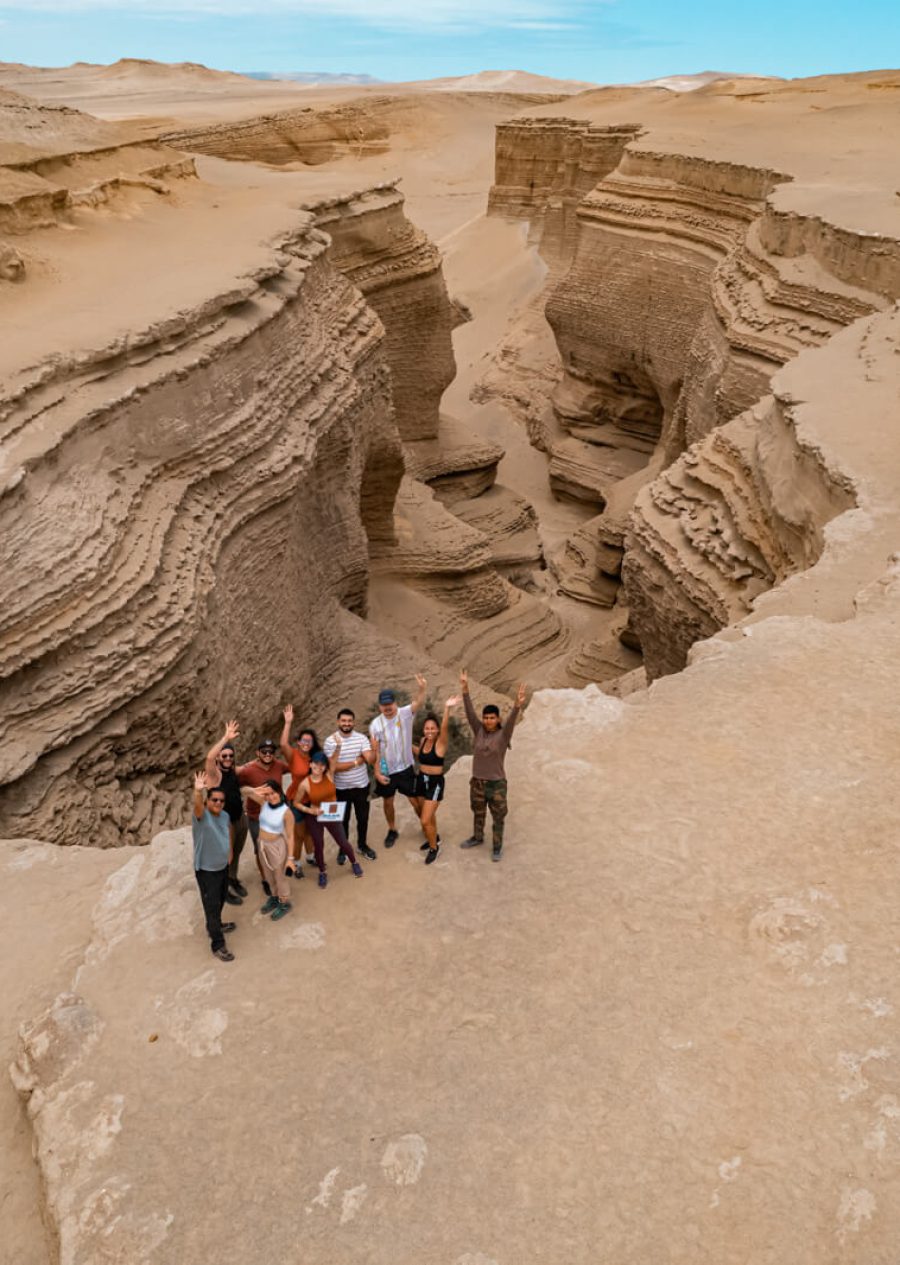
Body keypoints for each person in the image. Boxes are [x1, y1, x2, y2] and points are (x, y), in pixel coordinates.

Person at [459, 670, 526, 862]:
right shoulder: (478, 729)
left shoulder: (504, 735)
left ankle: (497, 847)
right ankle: (477, 837)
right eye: (486, 717)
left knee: (498, 817)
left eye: (492, 718)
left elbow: (512, 721)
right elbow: (469, 712)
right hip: (478, 782)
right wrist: (465, 690)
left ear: (497, 719)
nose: (488, 720)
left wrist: (517, 706)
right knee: (478, 812)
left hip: (496, 784)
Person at [369, 674, 427, 847]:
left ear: (395, 703)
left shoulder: (405, 714)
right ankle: (392, 829)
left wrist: (422, 688)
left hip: (405, 767)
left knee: (415, 800)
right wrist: (377, 772)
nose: (388, 708)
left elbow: (418, 703)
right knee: (388, 801)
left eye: (390, 704)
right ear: (380, 706)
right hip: (387, 771)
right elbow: (376, 750)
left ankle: (425, 825)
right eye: (384, 705)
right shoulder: (375, 725)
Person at [294, 747, 364, 888]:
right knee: (318, 845)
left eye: (322, 764)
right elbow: (296, 802)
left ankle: (354, 863)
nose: (318, 767)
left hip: (331, 812)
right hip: (315, 815)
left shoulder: (329, 775)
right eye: (316, 763)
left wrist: (338, 747)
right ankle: (322, 872)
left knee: (342, 841)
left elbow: (334, 759)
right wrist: (310, 810)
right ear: (310, 764)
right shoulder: (305, 784)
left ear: (325, 766)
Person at [191, 770, 237, 962]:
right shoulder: (201, 817)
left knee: (220, 899)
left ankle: (215, 924)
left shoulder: (224, 816)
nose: (218, 803)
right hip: (206, 870)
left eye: (221, 801)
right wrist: (197, 791)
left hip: (222, 866)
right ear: (208, 801)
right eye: (214, 800)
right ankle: (217, 943)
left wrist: (230, 851)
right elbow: (197, 806)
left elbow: (228, 831)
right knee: (211, 905)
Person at [237, 738, 290, 895]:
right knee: (260, 850)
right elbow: (238, 784)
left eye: (271, 752)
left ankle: (277, 876)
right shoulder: (249, 770)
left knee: (277, 848)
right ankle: (266, 879)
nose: (268, 754)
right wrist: (250, 791)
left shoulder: (279, 765)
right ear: (257, 753)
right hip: (256, 817)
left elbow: (295, 768)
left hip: (276, 816)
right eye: (264, 752)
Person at [203, 719, 248, 905]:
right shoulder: (215, 775)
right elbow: (208, 758)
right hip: (223, 825)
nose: (227, 759)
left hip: (239, 819)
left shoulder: (233, 771)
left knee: (235, 854)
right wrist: (226, 738)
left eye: (230, 756)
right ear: (219, 758)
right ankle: (224, 891)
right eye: (224, 756)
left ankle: (232, 880)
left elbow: (250, 767)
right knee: (224, 858)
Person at [324, 708, 377, 864]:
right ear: (338, 722)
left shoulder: (361, 739)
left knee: (363, 818)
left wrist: (374, 749)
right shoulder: (330, 741)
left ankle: (362, 845)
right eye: (343, 721)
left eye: (349, 721)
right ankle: (344, 849)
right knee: (342, 821)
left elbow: (370, 759)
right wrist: (356, 762)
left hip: (361, 787)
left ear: (353, 722)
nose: (346, 724)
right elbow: (333, 767)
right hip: (340, 789)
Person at [412, 696, 459, 865]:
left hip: (434, 783)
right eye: (427, 728)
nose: (429, 731)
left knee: (425, 819)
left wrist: (447, 708)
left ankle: (434, 849)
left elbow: (445, 727)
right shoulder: (424, 740)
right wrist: (406, 745)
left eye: (433, 728)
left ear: (438, 730)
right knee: (426, 815)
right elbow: (421, 754)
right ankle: (434, 838)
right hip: (421, 780)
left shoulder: (441, 743)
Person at [242, 779, 295, 920]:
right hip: (262, 845)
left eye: (274, 793)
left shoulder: (286, 812)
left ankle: (284, 903)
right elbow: (243, 791)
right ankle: (274, 897)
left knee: (280, 876)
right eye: (269, 794)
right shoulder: (264, 803)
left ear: (279, 792)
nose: (271, 796)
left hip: (277, 846)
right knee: (268, 874)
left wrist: (290, 859)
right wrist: (256, 790)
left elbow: (290, 836)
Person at [280, 708, 323, 873]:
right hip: (295, 801)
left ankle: (310, 857)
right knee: (298, 834)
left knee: (310, 832)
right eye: (303, 740)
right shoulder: (294, 756)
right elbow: (283, 744)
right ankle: (296, 863)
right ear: (298, 742)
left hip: (312, 801)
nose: (306, 743)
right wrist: (288, 722)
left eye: (309, 741)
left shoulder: (316, 757)